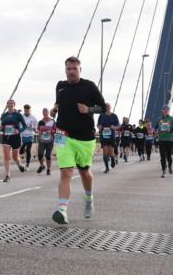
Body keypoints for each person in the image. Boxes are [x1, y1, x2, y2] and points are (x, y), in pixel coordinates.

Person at [51, 56, 106, 223]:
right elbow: (59, 104)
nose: (71, 72)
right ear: (65, 70)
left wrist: (88, 109)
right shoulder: (60, 86)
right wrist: (54, 109)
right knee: (66, 172)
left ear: (80, 70)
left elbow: (103, 107)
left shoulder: (88, 86)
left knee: (84, 172)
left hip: (85, 137)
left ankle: (89, 198)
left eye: (75, 69)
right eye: (69, 69)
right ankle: (62, 210)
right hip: (62, 134)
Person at [0, 99, 27, 182]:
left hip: (16, 137)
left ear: (14, 105)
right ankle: (8, 175)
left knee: (15, 157)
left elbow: (24, 126)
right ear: (7, 105)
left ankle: (19, 164)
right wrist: (1, 127)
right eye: (9, 103)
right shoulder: (3, 115)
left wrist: (19, 131)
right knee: (7, 157)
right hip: (6, 137)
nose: (10, 105)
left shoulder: (18, 115)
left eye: (12, 103)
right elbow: (2, 126)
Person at [154, 105, 173, 178]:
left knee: (169, 156)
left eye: (167, 110)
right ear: (162, 110)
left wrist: (171, 129)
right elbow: (155, 128)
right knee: (162, 156)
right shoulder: (159, 119)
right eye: (164, 109)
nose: (166, 111)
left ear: (168, 111)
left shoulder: (171, 119)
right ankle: (163, 170)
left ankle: (169, 166)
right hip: (161, 140)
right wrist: (155, 132)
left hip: (169, 140)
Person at [97, 103, 120, 173]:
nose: (107, 107)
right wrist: (99, 127)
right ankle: (106, 167)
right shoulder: (101, 116)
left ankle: (113, 159)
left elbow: (118, 125)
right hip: (103, 136)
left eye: (108, 106)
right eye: (106, 106)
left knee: (111, 152)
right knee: (105, 152)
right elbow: (98, 124)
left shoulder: (114, 116)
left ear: (110, 107)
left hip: (111, 136)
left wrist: (114, 127)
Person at [36, 107, 56, 175]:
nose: (45, 113)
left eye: (46, 112)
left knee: (48, 155)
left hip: (50, 141)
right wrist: (39, 132)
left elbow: (55, 130)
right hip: (42, 140)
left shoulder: (52, 121)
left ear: (48, 113)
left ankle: (48, 169)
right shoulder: (40, 122)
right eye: (43, 112)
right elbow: (37, 130)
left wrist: (51, 131)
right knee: (40, 154)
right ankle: (42, 166)